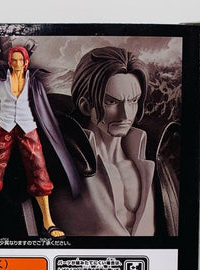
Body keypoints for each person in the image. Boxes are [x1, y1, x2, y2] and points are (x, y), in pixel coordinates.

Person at [0, 40, 75, 239]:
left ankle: (48, 222)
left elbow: (41, 107)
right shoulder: (2, 80)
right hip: (5, 127)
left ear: (26, 63)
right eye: (14, 60)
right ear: (10, 62)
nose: (17, 64)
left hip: (28, 128)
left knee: (39, 171)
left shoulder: (33, 83)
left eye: (20, 60)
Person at [50, 46, 177, 236]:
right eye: (111, 102)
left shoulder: (154, 162)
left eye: (133, 101)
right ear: (86, 106)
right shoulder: (63, 165)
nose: (126, 114)